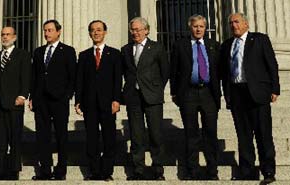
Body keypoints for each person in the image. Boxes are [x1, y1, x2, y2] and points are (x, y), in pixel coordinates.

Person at [221, 13, 279, 184]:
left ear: (246, 24)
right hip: (237, 94)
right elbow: (224, 73)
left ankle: (268, 171)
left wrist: (275, 88)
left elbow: (272, 64)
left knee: (263, 134)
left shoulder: (259, 40)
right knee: (243, 136)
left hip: (258, 93)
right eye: (231, 22)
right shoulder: (226, 45)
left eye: (237, 22)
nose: (233, 25)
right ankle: (247, 171)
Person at [170, 15, 221, 180]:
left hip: (208, 93)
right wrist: (175, 92)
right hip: (189, 93)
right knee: (191, 134)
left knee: (210, 133)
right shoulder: (180, 45)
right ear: (190, 28)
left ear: (205, 28)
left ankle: (212, 171)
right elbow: (174, 70)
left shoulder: (214, 45)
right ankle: (192, 170)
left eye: (201, 26)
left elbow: (219, 70)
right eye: (195, 26)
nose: (198, 29)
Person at [121, 17, 169, 180]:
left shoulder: (156, 47)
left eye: (138, 29)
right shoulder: (126, 49)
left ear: (147, 30)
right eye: (132, 30)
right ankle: (138, 169)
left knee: (156, 134)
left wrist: (155, 88)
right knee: (136, 135)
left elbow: (165, 72)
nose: (135, 32)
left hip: (152, 97)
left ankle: (158, 170)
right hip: (133, 98)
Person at [29, 19, 77, 180]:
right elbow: (34, 76)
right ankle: (45, 170)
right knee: (42, 136)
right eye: (45, 30)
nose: (46, 33)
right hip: (41, 100)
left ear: (58, 31)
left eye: (50, 30)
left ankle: (61, 170)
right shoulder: (38, 51)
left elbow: (72, 77)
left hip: (59, 100)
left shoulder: (68, 51)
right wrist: (32, 97)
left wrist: (67, 95)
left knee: (61, 135)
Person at [75, 20, 121, 181]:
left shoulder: (114, 54)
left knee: (109, 138)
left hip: (108, 103)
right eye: (93, 30)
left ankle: (107, 172)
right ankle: (94, 171)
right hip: (89, 104)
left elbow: (117, 80)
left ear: (105, 32)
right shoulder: (84, 55)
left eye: (99, 30)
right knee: (92, 138)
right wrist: (78, 100)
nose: (96, 33)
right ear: (89, 33)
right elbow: (79, 80)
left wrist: (117, 100)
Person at [0, 26, 31, 181]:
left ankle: (13, 171)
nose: (5, 37)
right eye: (3, 34)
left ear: (15, 37)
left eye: (8, 34)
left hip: (14, 103)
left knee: (15, 138)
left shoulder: (22, 55)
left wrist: (23, 95)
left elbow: (26, 77)